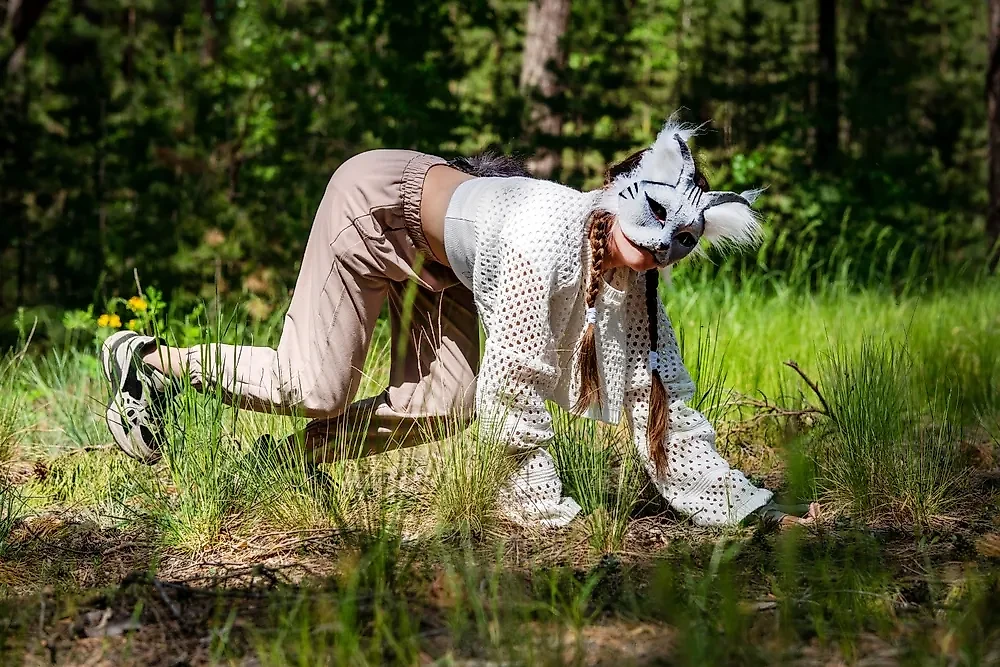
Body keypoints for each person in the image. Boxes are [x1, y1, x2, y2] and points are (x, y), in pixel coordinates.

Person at [100, 119, 819, 529]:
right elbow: (511, 392)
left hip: (445, 264)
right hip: (379, 206)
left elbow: (657, 396)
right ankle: (152, 362)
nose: (660, 250)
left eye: (679, 244)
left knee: (440, 406)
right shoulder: (544, 241)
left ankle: (280, 467)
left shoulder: (629, 271)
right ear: (619, 195)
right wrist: (543, 510)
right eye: (654, 228)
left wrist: (740, 506)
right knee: (312, 383)